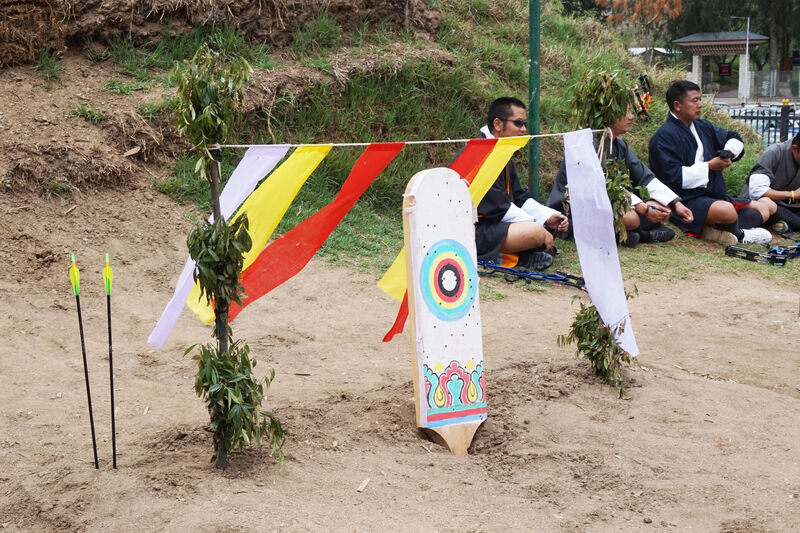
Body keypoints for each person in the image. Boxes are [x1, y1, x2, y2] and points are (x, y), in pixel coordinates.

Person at [648, 80, 774, 245]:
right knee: (727, 211)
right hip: (685, 201)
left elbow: (733, 137)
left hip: (714, 196)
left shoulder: (703, 126)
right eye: (695, 100)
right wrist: (709, 166)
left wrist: (729, 152)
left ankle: (714, 228)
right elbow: (672, 177)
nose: (700, 105)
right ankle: (740, 234)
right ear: (677, 105)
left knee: (766, 206)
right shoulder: (663, 137)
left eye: (700, 99)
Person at [547, 107, 694, 247]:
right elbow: (599, 185)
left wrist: (676, 203)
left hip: (612, 203)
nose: (632, 117)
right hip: (577, 210)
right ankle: (643, 235)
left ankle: (626, 233)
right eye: (626, 112)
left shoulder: (620, 144)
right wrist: (641, 207)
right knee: (630, 218)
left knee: (662, 207)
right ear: (608, 114)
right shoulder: (586, 144)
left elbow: (644, 177)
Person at [475, 97, 568, 270]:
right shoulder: (480, 153)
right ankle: (520, 255)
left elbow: (519, 196)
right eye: (518, 123)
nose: (523, 129)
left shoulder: (501, 150)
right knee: (535, 232)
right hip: (475, 231)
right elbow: (499, 208)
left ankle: (526, 252)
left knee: (542, 228)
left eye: (524, 124)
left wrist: (547, 217)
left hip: (496, 225)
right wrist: (538, 227)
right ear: (498, 124)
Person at [740, 133, 800, 232]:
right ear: (795, 149)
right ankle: (789, 223)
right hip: (766, 204)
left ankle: (787, 224)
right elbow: (757, 191)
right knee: (767, 204)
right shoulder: (773, 153)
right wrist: (793, 194)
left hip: (791, 207)